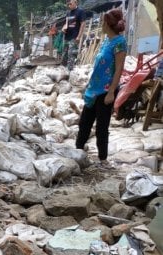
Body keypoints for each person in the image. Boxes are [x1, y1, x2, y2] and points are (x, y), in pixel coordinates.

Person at [75, 8, 127, 168]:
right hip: (93, 89)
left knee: (101, 127)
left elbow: (119, 68)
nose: (101, 24)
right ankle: (78, 152)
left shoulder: (120, 42)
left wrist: (111, 91)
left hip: (106, 91)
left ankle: (103, 159)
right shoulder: (106, 41)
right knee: (84, 122)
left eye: (103, 21)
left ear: (108, 24)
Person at [62, 0, 86, 70]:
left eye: (70, 4)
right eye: (68, 4)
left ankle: (69, 71)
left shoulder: (80, 11)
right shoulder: (68, 12)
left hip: (74, 36)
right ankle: (63, 70)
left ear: (75, 2)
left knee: (71, 54)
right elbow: (66, 23)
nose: (69, 5)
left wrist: (79, 36)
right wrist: (63, 28)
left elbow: (83, 24)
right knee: (64, 54)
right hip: (67, 36)